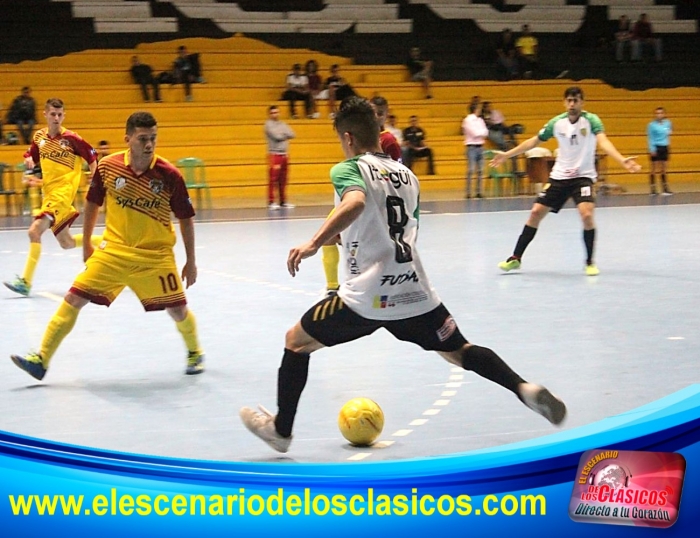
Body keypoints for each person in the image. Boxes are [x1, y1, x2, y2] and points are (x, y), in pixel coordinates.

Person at [238, 96, 567, 453]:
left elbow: (356, 204)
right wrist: (343, 235)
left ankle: (280, 431)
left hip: (367, 296)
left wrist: (314, 243)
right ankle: (523, 388)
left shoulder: (348, 169)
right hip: (415, 291)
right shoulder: (407, 175)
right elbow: (395, 227)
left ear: (348, 138)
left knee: (296, 341)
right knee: (459, 350)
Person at [10, 111, 205, 381]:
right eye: (142, 139)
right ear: (128, 139)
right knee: (73, 298)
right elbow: (92, 203)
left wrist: (191, 261)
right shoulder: (109, 167)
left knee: (177, 310)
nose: (149, 145)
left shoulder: (169, 175)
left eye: (153, 138)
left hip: (155, 256)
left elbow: (185, 219)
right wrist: (87, 243)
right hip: (113, 251)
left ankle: (195, 352)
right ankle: (41, 359)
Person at [491, 87, 641, 276]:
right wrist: (507, 154)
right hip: (560, 177)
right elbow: (534, 141)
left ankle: (589, 262)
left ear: (582, 102)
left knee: (587, 215)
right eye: (569, 100)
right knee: (536, 212)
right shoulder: (557, 122)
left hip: (583, 177)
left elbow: (603, 141)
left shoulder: (592, 120)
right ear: (564, 102)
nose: (572, 104)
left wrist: (622, 159)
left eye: (576, 100)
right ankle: (515, 258)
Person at [3, 98, 98, 297]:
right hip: (50, 194)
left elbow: (91, 156)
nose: (56, 118)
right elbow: (31, 155)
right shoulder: (39, 137)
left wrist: (95, 181)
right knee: (67, 243)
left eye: (60, 114)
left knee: (34, 232)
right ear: (45, 114)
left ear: (64, 115)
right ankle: (112, 241)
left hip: (62, 195)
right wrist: (28, 163)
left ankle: (26, 281)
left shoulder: (72, 139)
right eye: (53, 114)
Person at [320, 95, 402, 296]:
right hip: (357, 193)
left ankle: (378, 281)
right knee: (329, 236)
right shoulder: (358, 140)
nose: (376, 117)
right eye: (373, 113)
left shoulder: (388, 140)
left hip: (374, 200)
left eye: (380, 114)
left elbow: (394, 170)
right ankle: (332, 287)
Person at [265, 105, 296, 210]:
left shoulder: (283, 124)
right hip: (274, 155)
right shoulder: (268, 125)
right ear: (270, 114)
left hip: (284, 154)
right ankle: (271, 202)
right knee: (273, 180)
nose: (275, 114)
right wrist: (284, 135)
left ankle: (283, 201)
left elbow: (292, 134)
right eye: (273, 113)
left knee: (283, 180)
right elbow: (276, 136)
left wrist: (283, 134)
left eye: (276, 112)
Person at [462, 101, 489, 199]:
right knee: (471, 170)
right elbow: (475, 133)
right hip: (471, 147)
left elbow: (486, 132)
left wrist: (481, 132)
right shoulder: (468, 120)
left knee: (481, 170)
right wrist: (481, 132)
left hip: (480, 146)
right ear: (475, 109)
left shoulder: (480, 120)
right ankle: (468, 192)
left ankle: (479, 191)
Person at [647, 107, 672, 195]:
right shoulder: (651, 125)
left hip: (664, 147)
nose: (659, 115)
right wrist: (652, 149)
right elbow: (650, 138)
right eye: (657, 113)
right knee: (653, 169)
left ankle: (665, 188)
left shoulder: (668, 123)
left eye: (661, 113)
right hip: (656, 147)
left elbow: (669, 133)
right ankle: (653, 189)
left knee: (664, 169)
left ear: (664, 114)